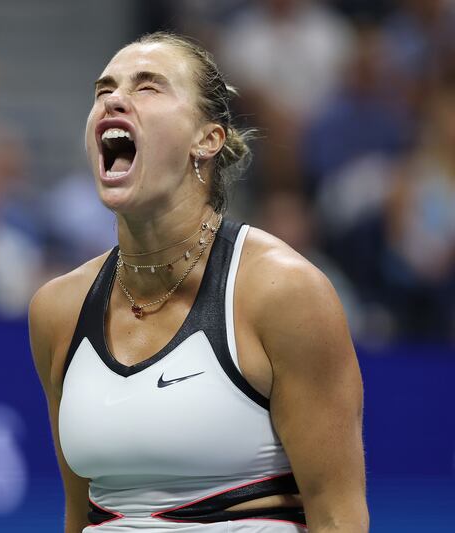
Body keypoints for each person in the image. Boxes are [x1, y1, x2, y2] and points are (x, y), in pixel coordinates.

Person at [29, 32, 367, 532]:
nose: (115, 99)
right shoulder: (57, 309)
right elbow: (79, 517)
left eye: (148, 88)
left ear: (207, 140)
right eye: (104, 91)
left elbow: (338, 515)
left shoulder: (283, 293)